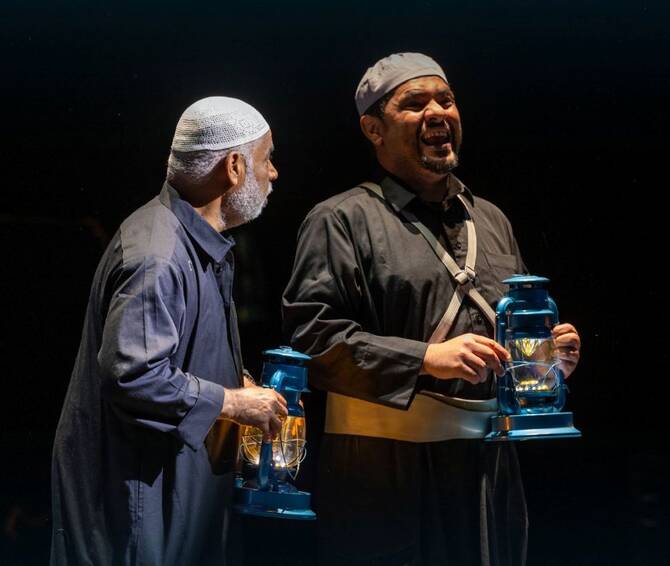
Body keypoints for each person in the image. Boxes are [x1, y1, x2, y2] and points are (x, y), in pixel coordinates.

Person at [282, 53, 581, 566]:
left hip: (489, 471)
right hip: (385, 477)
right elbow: (313, 339)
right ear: (373, 129)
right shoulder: (340, 219)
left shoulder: (491, 220)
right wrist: (424, 359)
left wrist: (545, 362)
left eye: (446, 100)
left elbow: (516, 330)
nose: (438, 112)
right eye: (415, 103)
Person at [50, 96, 288, 566]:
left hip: (170, 495)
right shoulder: (157, 254)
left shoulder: (190, 241)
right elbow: (134, 376)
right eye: (267, 158)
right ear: (235, 167)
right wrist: (231, 402)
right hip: (137, 505)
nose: (274, 173)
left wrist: (233, 380)